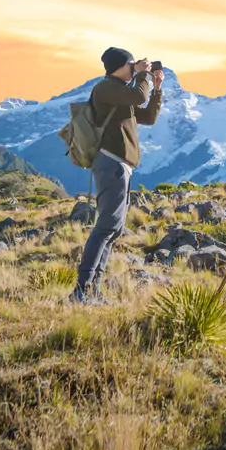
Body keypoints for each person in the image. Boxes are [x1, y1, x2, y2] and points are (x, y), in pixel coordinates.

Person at [71, 47, 164, 304]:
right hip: (111, 163)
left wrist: (156, 88)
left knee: (113, 229)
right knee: (105, 227)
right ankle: (81, 289)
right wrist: (143, 75)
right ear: (120, 66)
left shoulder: (121, 94)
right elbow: (137, 96)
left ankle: (93, 290)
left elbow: (149, 116)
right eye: (131, 64)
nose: (135, 67)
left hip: (121, 167)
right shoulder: (106, 88)